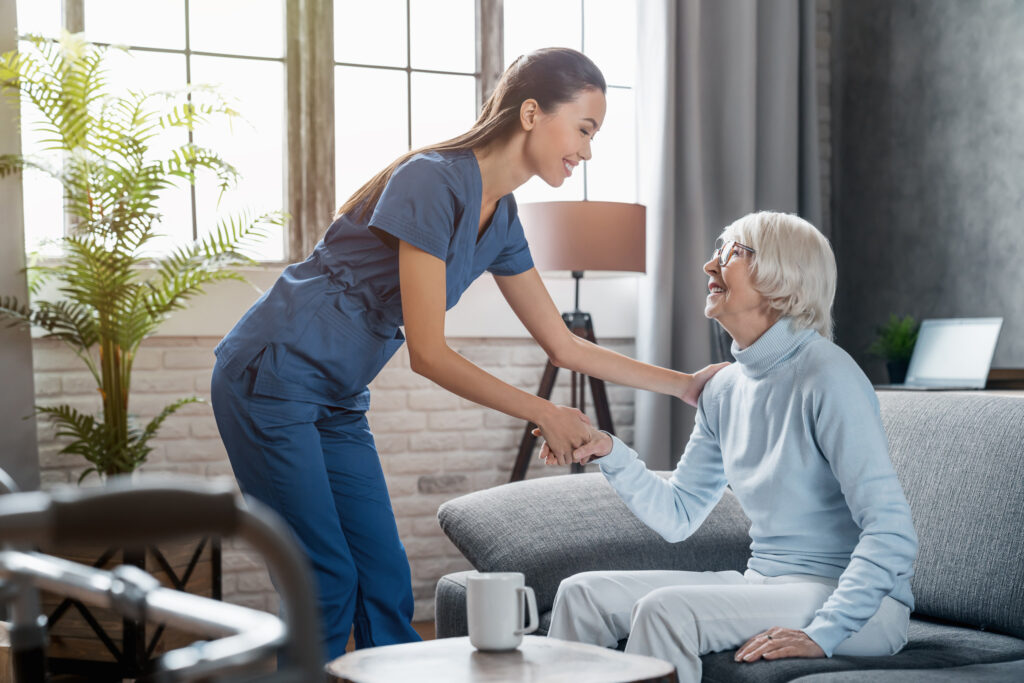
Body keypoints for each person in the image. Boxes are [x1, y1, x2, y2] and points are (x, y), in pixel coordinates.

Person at [210, 47, 726, 661]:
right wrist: (545, 412)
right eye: (584, 129)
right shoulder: (431, 179)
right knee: (324, 581)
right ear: (531, 114)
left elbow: (563, 344)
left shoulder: (501, 217)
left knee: (383, 579)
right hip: (271, 377)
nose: (587, 151)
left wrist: (685, 384)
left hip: (337, 397)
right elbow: (428, 353)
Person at [542, 211, 918, 681]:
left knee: (665, 611)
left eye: (734, 252)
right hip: (765, 584)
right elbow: (678, 514)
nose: (710, 265)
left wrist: (826, 631)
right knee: (581, 593)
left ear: (784, 276)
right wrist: (610, 452)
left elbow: (892, 530)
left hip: (860, 604)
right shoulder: (723, 389)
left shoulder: (828, 375)